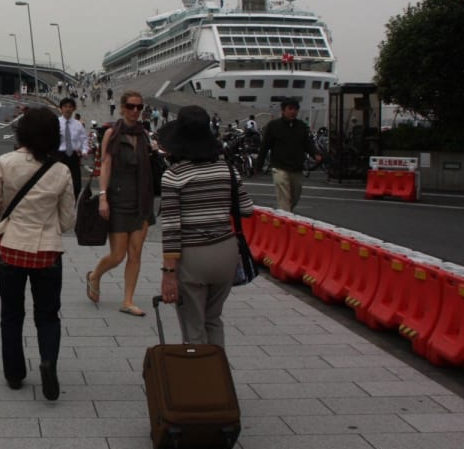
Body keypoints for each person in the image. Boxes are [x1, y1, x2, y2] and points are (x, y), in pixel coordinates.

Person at [0, 106, 75, 399]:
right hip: (47, 251)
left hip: (11, 249)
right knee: (48, 315)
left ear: (21, 131)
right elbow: (68, 221)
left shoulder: (4, 162)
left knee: (11, 313)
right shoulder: (61, 171)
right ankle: (48, 362)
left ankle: (14, 372)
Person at [156, 105, 254, 345]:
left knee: (193, 326)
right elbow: (247, 209)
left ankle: (200, 381)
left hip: (193, 256)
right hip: (225, 254)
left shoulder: (174, 176)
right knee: (213, 319)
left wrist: (169, 273)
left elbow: (171, 227)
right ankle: (218, 378)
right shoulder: (228, 171)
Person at [85, 90, 157, 317]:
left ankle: (127, 300)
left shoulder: (145, 135)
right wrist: (103, 196)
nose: (135, 111)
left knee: (135, 253)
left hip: (142, 200)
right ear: (123, 107)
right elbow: (105, 165)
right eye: (131, 107)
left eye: (139, 107)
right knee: (118, 255)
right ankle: (95, 275)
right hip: (118, 198)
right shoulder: (111, 134)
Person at [255, 98, 322, 212]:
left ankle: (287, 213)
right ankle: (285, 216)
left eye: (295, 109)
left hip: (296, 167)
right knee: (283, 195)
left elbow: (308, 143)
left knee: (295, 194)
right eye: (290, 109)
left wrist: (315, 154)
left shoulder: (301, 126)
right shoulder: (273, 126)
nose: (293, 112)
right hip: (279, 166)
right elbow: (265, 146)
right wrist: (258, 165)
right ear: (283, 110)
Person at [56, 97, 88, 197]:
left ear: (73, 109)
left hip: (73, 156)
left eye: (70, 107)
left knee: (76, 185)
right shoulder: (55, 123)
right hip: (59, 156)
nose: (68, 109)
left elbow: (84, 139)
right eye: (65, 106)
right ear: (61, 108)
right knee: (59, 184)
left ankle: (74, 206)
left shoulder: (78, 124)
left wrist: (84, 150)